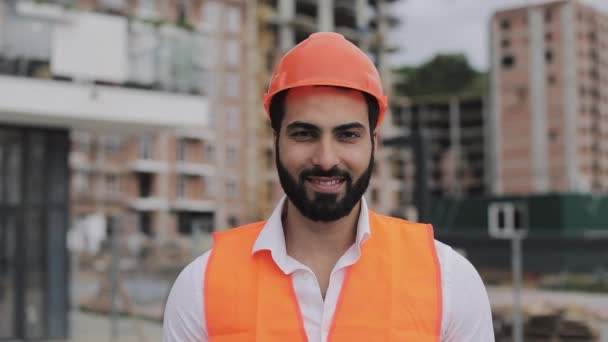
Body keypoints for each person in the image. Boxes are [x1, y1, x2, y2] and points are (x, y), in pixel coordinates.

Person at [163, 32, 494, 342]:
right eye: (304, 134)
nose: (325, 158)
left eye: (347, 135)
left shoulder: (450, 281)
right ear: (276, 140)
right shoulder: (201, 287)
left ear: (373, 142)